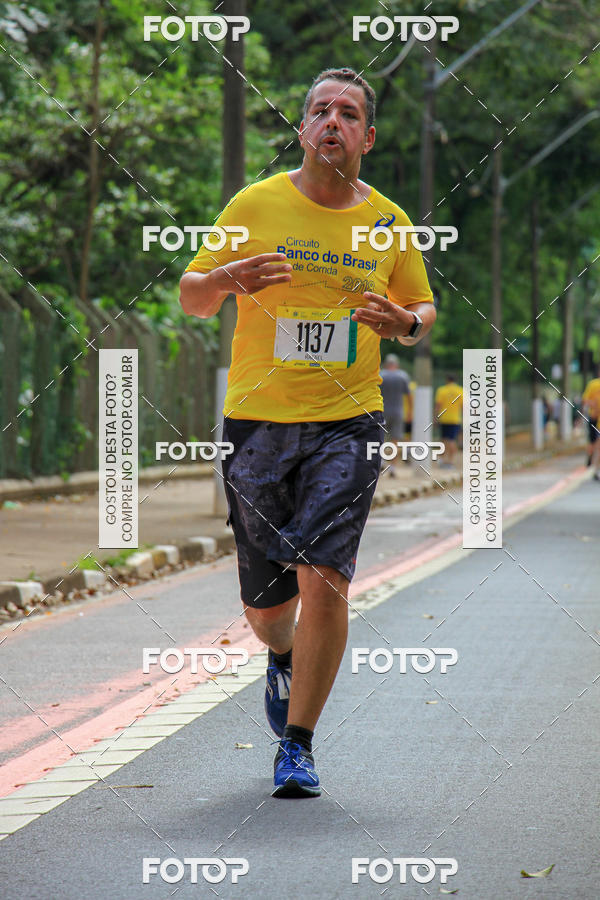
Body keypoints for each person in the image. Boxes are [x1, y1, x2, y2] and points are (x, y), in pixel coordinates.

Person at [179, 68, 436, 798]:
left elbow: (422, 307)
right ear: (302, 131)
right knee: (267, 609)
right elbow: (193, 297)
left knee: (325, 575)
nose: (332, 121)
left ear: (367, 137)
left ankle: (297, 744)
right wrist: (229, 277)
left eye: (347, 113)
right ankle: (280, 651)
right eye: (319, 110)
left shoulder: (388, 223)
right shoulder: (253, 204)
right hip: (257, 421)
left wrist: (407, 323)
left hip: (347, 422)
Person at [379, 354, 410, 475]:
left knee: (381, 437)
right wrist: (410, 411)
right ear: (396, 364)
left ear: (386, 364)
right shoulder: (403, 376)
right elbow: (408, 395)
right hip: (398, 412)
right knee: (395, 440)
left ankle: (381, 461)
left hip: (382, 410)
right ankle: (392, 467)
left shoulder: (381, 375)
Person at [435, 374, 463, 467]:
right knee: (452, 440)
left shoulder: (442, 390)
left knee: (443, 440)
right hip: (455, 419)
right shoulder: (460, 390)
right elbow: (464, 406)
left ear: (447, 380)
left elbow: (438, 405)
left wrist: (436, 417)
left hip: (444, 418)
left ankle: (442, 459)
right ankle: (450, 461)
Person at [582, 368, 600, 480]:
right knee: (593, 442)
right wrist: (594, 405)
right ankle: (591, 461)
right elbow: (585, 400)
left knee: (595, 443)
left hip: (595, 418)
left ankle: (594, 465)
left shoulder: (592, 384)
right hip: (594, 418)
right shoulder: (593, 384)